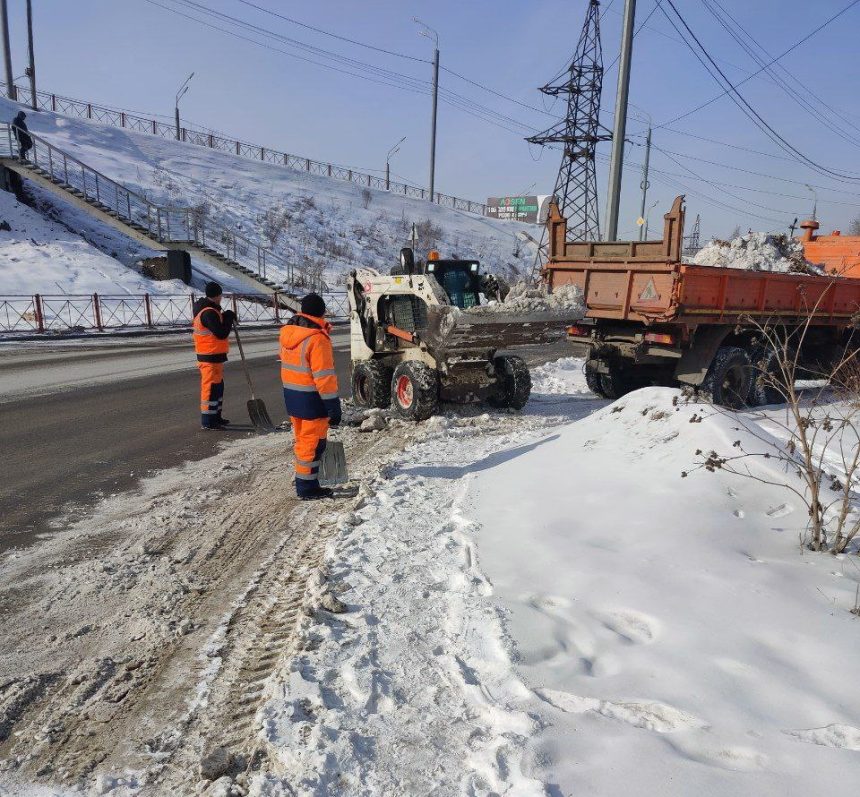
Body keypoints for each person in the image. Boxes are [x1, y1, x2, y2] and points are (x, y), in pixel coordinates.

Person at [280, 293, 342, 500]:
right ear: (321, 312)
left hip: (293, 397)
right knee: (313, 445)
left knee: (302, 442)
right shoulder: (317, 339)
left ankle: (305, 482)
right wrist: (333, 405)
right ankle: (307, 488)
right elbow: (324, 377)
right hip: (312, 401)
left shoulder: (289, 332)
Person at [192, 282, 235, 430]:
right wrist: (228, 318)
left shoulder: (211, 311)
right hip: (208, 357)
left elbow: (217, 327)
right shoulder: (208, 312)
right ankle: (208, 421)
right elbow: (220, 333)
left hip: (214, 356)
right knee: (210, 388)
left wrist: (225, 316)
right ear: (217, 295)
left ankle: (216, 416)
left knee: (218, 388)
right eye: (220, 295)